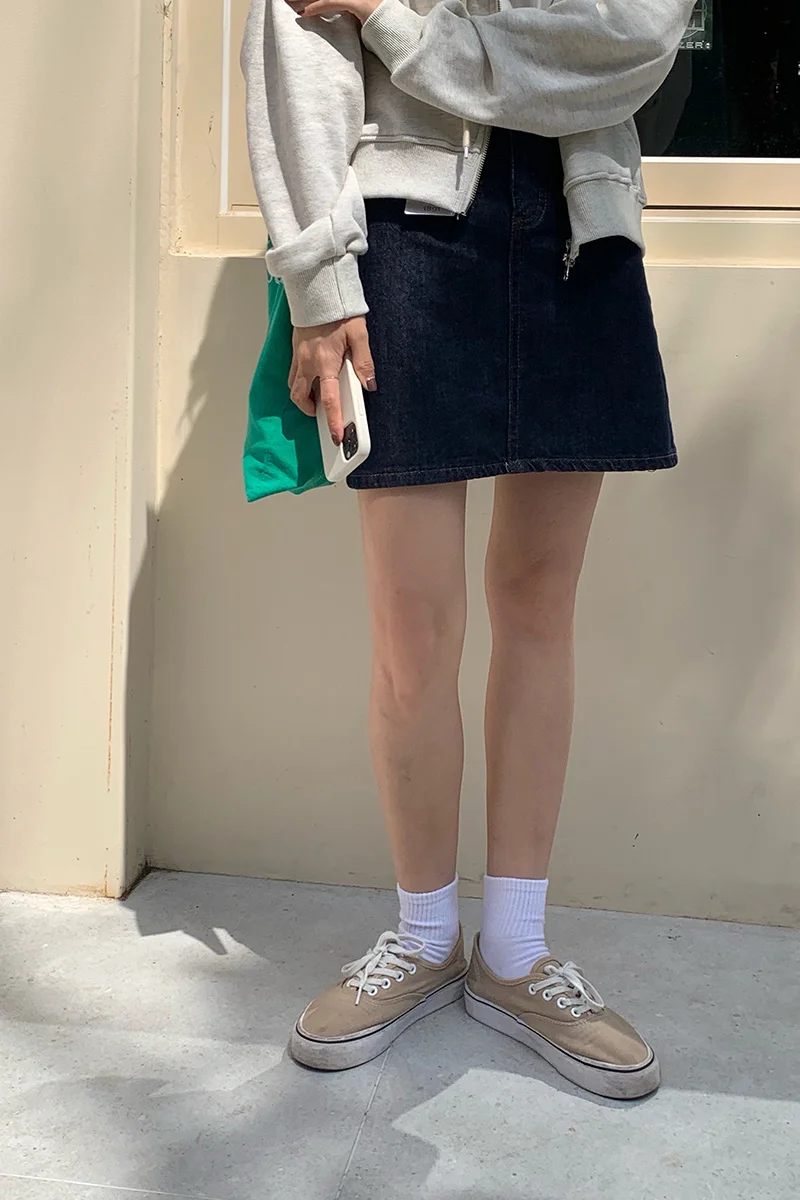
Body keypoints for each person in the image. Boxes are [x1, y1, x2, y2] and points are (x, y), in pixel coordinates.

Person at [242, 0, 694, 1098]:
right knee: (413, 626)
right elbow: (297, 52)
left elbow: (631, 44)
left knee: (539, 607)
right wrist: (317, 285)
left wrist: (397, 22)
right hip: (400, 234)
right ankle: (423, 936)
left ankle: (516, 953)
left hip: (580, 224)